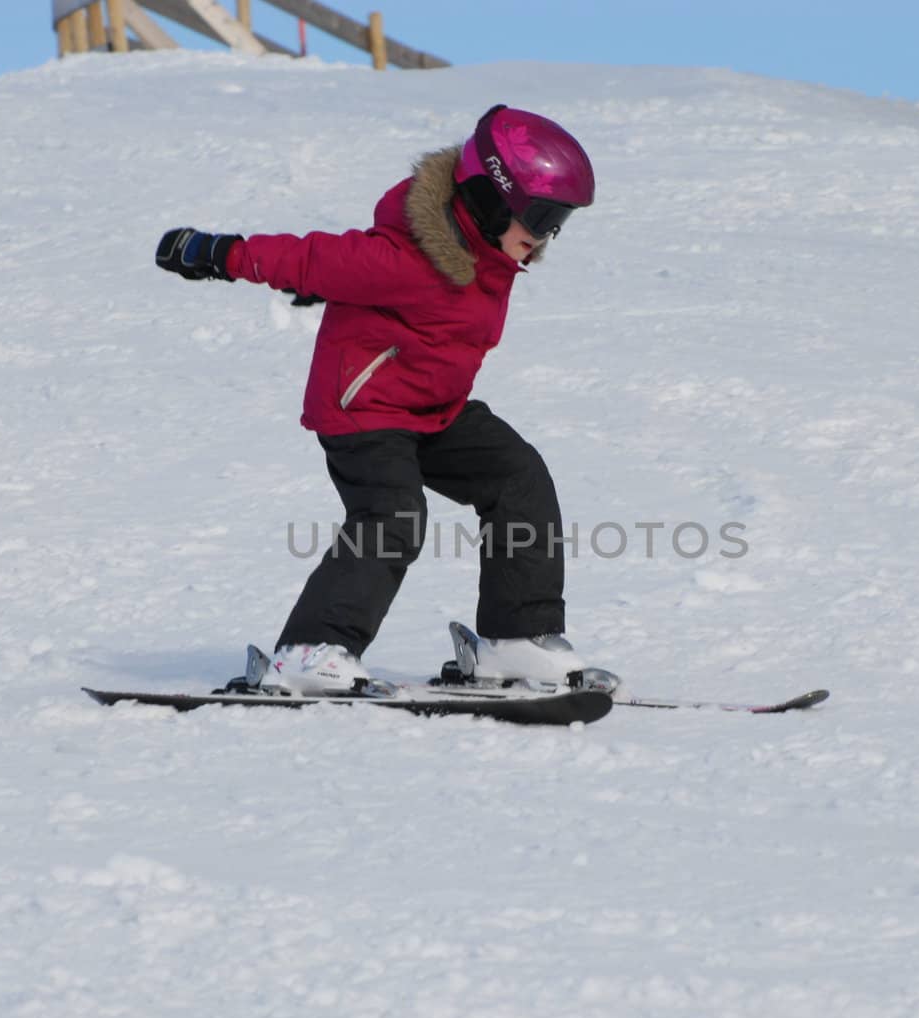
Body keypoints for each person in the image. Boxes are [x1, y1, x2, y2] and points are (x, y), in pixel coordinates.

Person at [154, 104, 597, 695]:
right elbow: (312, 259)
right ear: (490, 199)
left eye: (557, 221)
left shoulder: (491, 261)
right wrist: (220, 253)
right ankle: (312, 650)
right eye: (539, 215)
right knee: (394, 516)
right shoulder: (405, 257)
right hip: (363, 412)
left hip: (432, 410)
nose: (544, 235)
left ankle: (515, 640)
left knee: (518, 475)